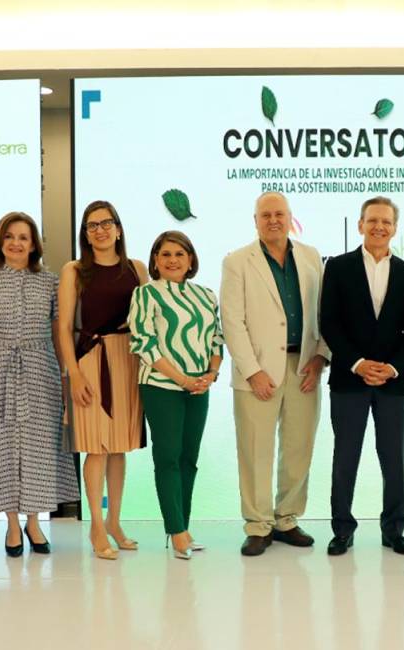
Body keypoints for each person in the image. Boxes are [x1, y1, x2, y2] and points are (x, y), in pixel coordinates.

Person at [0, 212, 78, 555]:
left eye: (23, 237)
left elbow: (59, 333)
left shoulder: (50, 281)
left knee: (41, 447)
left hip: (41, 368)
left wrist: (65, 378)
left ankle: (35, 521)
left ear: (33, 244)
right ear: (0, 240)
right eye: (10, 236)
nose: (16, 242)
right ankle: (12, 524)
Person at [220, 192, 329, 557]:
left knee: (299, 447)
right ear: (255, 220)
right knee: (255, 448)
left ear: (290, 217)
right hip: (259, 371)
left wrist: (320, 359)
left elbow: (325, 313)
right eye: (265, 215)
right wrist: (252, 372)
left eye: (279, 214)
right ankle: (257, 525)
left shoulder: (311, 257)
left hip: (304, 366)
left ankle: (287, 519)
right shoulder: (237, 262)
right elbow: (232, 321)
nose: (273, 220)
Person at [321, 196, 404, 556]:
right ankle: (342, 529)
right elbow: (329, 322)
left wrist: (392, 367)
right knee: (345, 456)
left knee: (393, 458)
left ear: (395, 228)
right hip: (350, 380)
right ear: (360, 225)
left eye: (387, 222)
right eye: (373, 220)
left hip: (392, 382)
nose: (380, 227)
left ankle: (394, 529)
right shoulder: (338, 267)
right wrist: (358, 363)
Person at [58, 200, 148, 560]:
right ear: (86, 233)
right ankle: (95, 524)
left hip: (128, 359)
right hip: (90, 360)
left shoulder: (137, 269)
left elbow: (150, 318)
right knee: (95, 447)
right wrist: (74, 373)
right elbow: (64, 327)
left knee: (119, 446)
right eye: (92, 225)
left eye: (106, 223)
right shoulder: (75, 270)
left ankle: (114, 521)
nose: (100, 229)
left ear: (118, 228)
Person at [129, 231, 223, 560]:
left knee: (189, 459)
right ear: (155, 260)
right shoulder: (145, 295)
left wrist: (210, 375)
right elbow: (144, 343)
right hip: (161, 386)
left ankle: (182, 526)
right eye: (165, 254)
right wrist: (183, 378)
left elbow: (216, 340)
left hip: (199, 387)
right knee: (168, 457)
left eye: (179, 254)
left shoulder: (207, 295)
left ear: (191, 260)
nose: (172, 260)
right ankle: (176, 530)